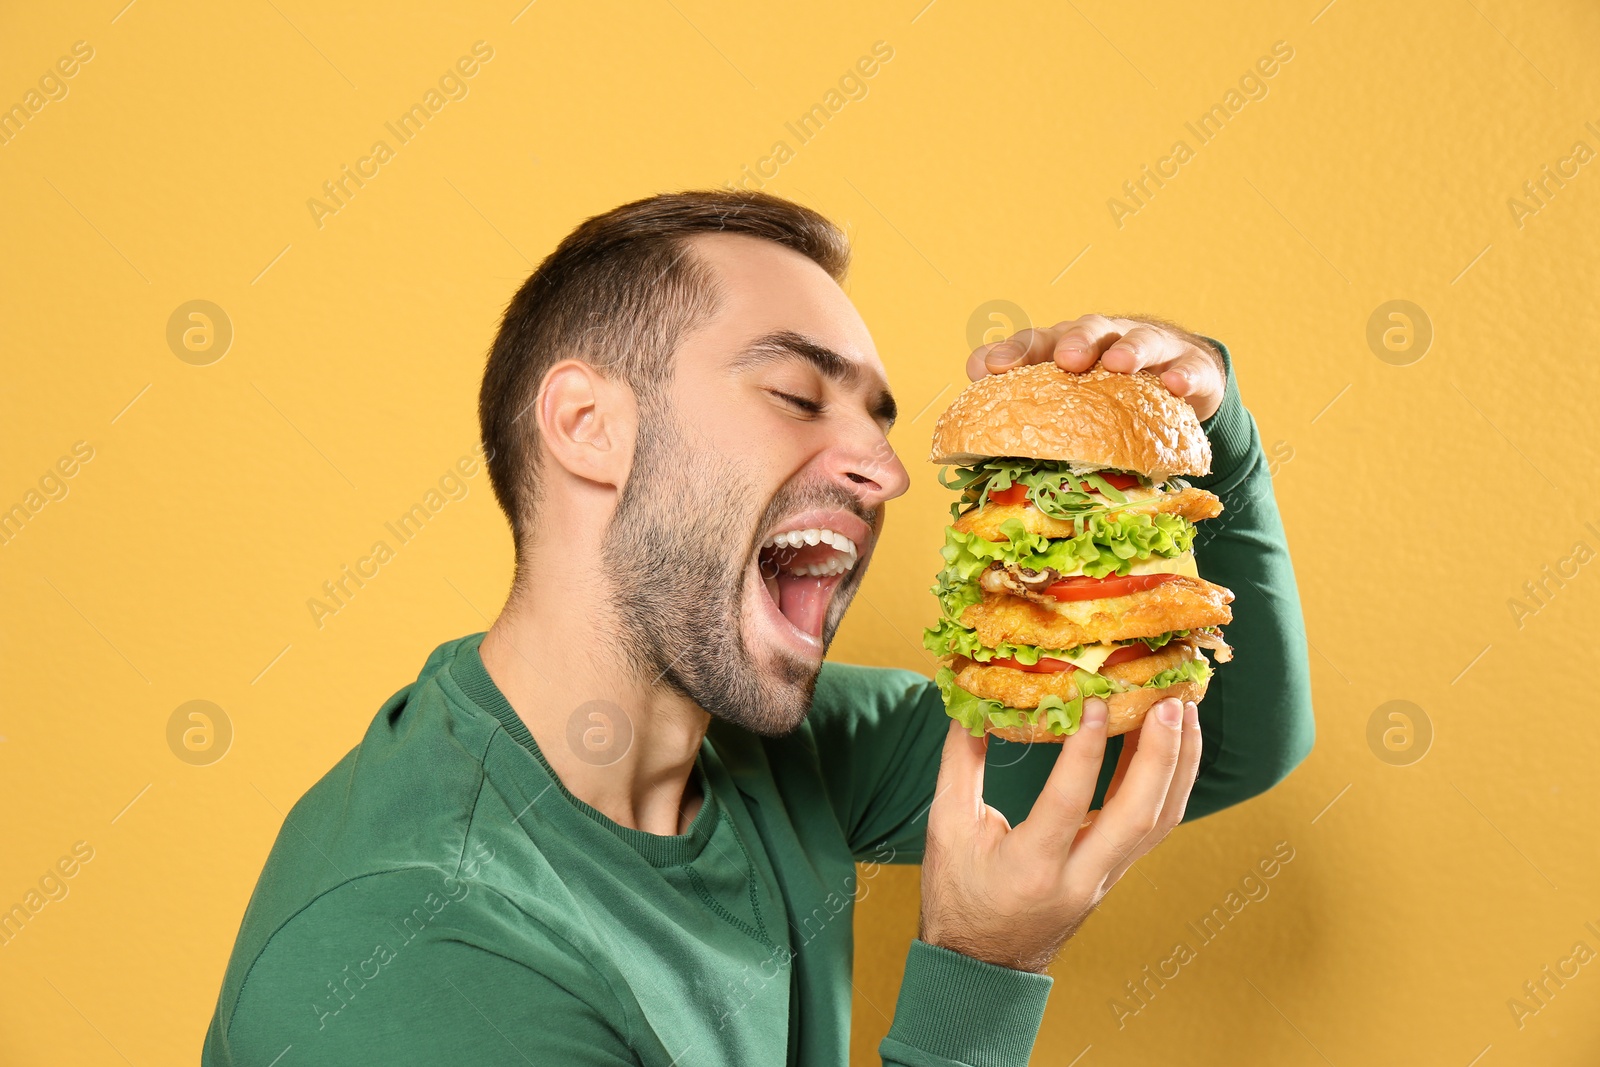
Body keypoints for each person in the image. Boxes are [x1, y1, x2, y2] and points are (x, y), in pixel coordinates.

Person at [202, 190, 1314, 1066]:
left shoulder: (776, 749)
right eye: (794, 394)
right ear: (588, 426)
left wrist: (1211, 424)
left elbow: (1211, 741)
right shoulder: (418, 951)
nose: (886, 469)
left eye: (876, 418)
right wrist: (977, 971)